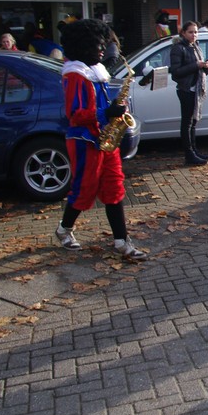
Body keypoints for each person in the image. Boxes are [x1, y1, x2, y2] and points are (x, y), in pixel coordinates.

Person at [54, 18, 147, 261]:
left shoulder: (96, 73)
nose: (103, 49)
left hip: (106, 139)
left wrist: (116, 108)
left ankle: (122, 242)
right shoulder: (75, 75)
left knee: (114, 186)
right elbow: (75, 114)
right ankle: (64, 229)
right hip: (84, 140)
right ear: (84, 46)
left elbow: (102, 105)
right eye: (98, 44)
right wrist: (106, 113)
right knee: (84, 188)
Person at [168, 21, 208, 166]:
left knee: (193, 122)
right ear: (183, 33)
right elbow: (176, 72)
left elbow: (202, 71)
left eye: (196, 32)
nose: (194, 35)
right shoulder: (178, 48)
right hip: (185, 89)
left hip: (196, 88)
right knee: (187, 122)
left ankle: (194, 150)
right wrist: (196, 65)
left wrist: (205, 67)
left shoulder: (196, 46)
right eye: (191, 32)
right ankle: (189, 154)